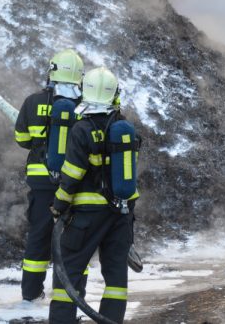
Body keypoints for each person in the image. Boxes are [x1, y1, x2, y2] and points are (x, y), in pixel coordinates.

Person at [49, 67, 140, 324]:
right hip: (121, 214)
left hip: (86, 216)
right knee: (115, 278)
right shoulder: (124, 129)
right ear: (113, 94)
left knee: (69, 272)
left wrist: (59, 204)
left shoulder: (82, 129)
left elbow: (72, 173)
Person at [14, 48, 84, 301]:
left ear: (53, 72)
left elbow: (21, 138)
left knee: (38, 236)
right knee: (74, 239)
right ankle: (70, 294)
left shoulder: (33, 102)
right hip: (75, 183)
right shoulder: (84, 106)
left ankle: (31, 294)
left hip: (41, 181)